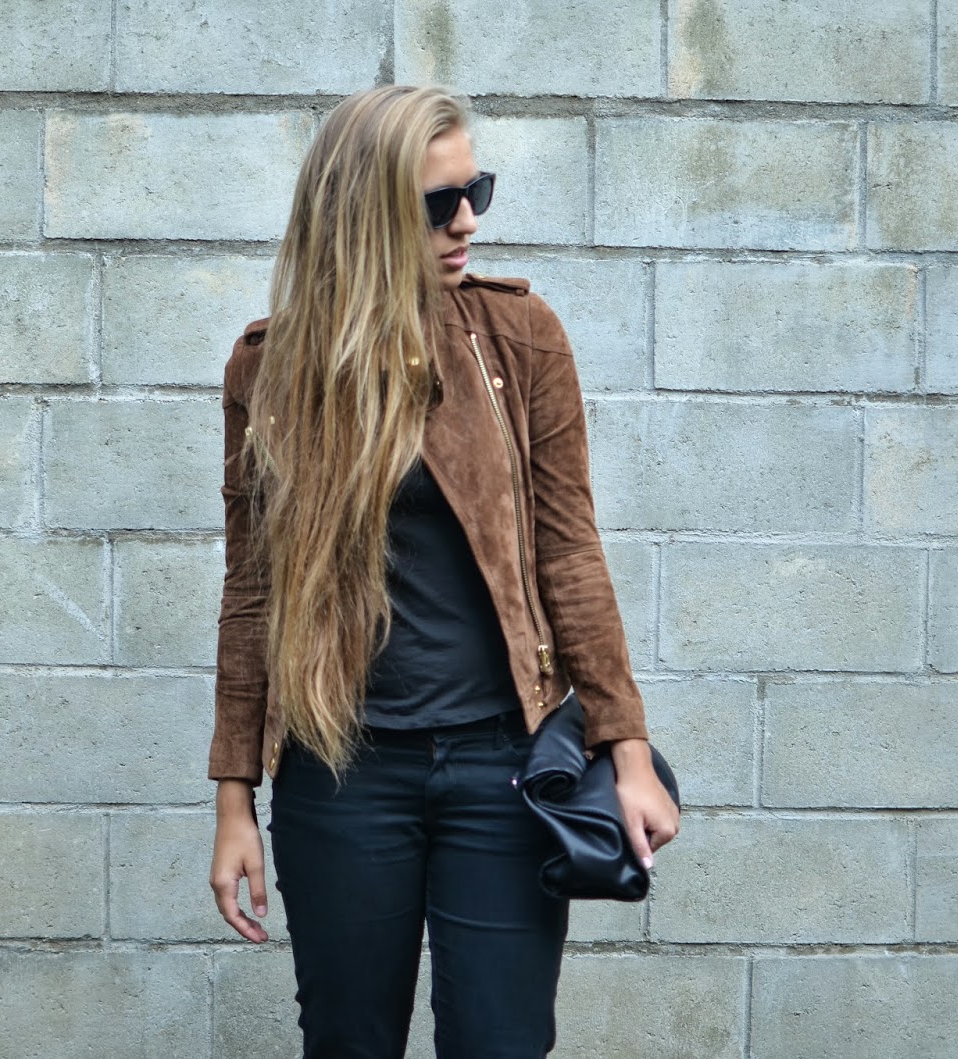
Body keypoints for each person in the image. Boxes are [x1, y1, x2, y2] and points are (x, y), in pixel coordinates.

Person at [207, 84, 679, 1059]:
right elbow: (252, 594)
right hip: (341, 770)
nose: (466, 220)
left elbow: (569, 549)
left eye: (476, 190)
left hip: (503, 767)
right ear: (362, 215)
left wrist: (627, 750)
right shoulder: (271, 369)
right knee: (348, 1043)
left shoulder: (520, 338)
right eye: (436, 203)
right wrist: (233, 799)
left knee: (502, 1042)